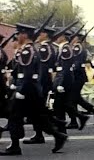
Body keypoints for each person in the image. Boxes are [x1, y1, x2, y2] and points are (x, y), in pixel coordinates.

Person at [0, 23, 67, 156]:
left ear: (24, 35)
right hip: (30, 88)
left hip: (27, 88)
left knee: (14, 116)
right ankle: (58, 135)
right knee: (37, 117)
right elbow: (19, 70)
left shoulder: (28, 50)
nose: (17, 36)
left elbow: (28, 72)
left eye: (18, 34)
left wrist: (20, 90)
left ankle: (14, 146)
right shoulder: (30, 49)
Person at [67, 30, 94, 129]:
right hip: (78, 76)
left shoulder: (77, 47)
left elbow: (76, 63)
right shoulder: (79, 47)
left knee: (72, 99)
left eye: (72, 37)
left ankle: (76, 120)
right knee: (76, 99)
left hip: (77, 76)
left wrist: (70, 70)